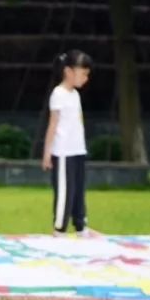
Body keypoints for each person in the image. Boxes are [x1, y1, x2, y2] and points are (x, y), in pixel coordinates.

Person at [42, 49, 98, 238]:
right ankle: (60, 228)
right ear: (69, 72)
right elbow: (53, 124)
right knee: (65, 191)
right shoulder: (58, 94)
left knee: (79, 190)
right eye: (83, 74)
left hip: (77, 150)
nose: (85, 78)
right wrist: (47, 153)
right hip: (63, 152)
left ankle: (81, 226)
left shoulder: (75, 95)